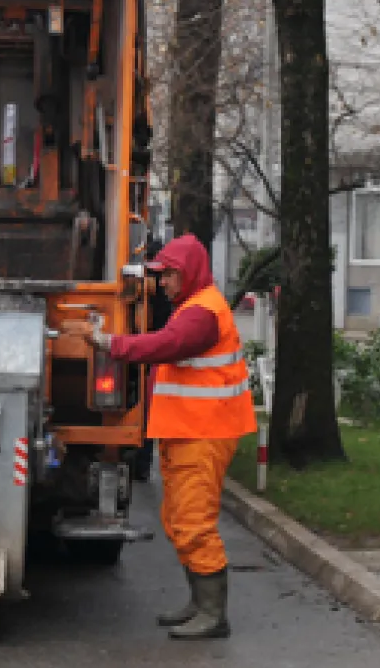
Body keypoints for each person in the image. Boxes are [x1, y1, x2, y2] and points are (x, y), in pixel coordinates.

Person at [83, 234, 257, 640]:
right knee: (178, 519)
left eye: (168, 275)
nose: (162, 283)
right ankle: (199, 604)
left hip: (204, 430)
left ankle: (213, 614)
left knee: (194, 521)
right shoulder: (194, 308)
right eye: (160, 276)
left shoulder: (202, 314)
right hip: (189, 429)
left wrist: (110, 343)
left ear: (189, 272)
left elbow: (166, 345)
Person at [133, 236, 172, 483]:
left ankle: (142, 461)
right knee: (146, 411)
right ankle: (142, 464)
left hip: (147, 351)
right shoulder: (165, 288)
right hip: (153, 354)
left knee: (145, 408)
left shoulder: (151, 283)